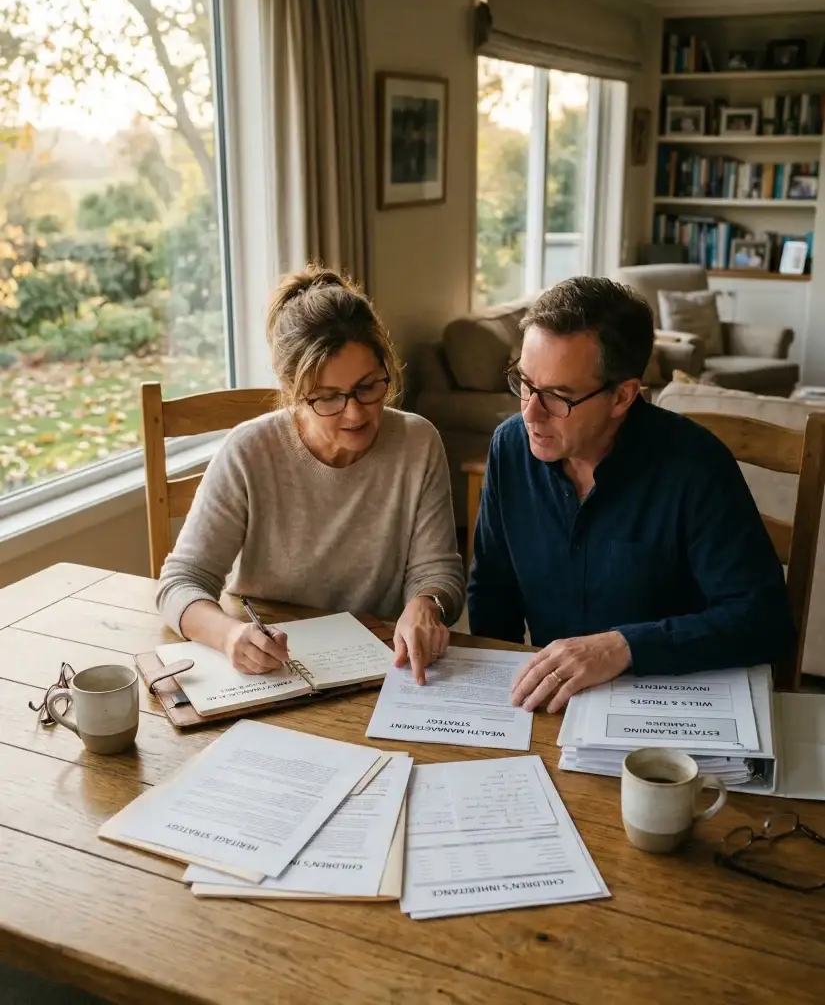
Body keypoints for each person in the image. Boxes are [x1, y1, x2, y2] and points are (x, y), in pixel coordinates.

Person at [467, 276, 795, 714]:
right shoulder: (510, 448)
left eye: (558, 397)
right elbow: (492, 591)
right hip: (554, 708)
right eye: (525, 383)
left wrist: (624, 647)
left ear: (622, 396)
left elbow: (764, 621)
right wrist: (497, 702)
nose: (530, 412)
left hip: (670, 701)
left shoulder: (696, 467)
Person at [156, 265, 465, 684]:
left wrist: (426, 603)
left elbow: (438, 571)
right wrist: (230, 636)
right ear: (292, 391)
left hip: (374, 665)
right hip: (267, 668)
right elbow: (180, 582)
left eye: (368, 387)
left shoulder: (417, 442)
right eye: (328, 397)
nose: (355, 412)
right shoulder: (249, 450)